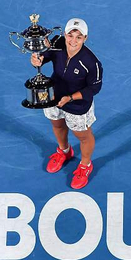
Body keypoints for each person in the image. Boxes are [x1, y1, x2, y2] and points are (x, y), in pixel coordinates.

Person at [31, 18, 103, 189]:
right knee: (57, 125)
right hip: (53, 96)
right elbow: (45, 56)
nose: (73, 41)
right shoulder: (57, 43)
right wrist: (37, 60)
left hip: (77, 104)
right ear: (64, 34)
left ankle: (85, 165)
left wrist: (70, 98)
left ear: (85, 38)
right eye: (70, 35)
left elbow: (94, 88)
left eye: (79, 37)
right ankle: (64, 151)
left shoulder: (92, 63)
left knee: (83, 136)